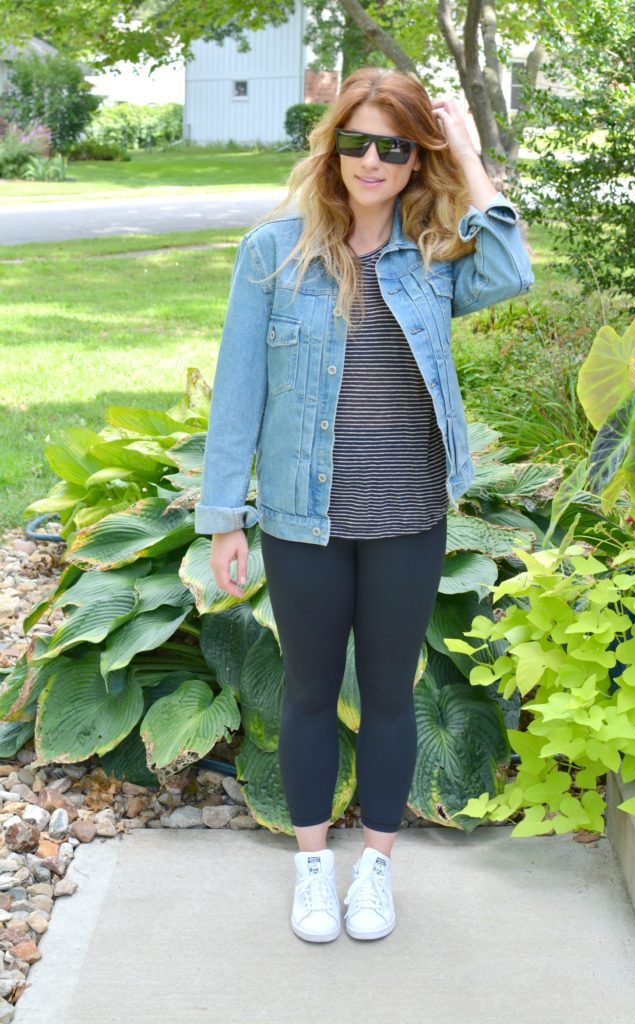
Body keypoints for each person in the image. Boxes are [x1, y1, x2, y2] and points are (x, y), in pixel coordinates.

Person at [194, 66, 534, 944]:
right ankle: (313, 869)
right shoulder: (272, 251)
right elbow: (237, 390)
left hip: (408, 517)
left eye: (393, 145)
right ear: (332, 147)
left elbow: (510, 264)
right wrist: (221, 515)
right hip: (304, 520)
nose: (372, 161)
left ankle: (374, 869)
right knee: (309, 693)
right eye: (357, 143)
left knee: (387, 697)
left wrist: (462, 142)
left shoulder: (433, 257)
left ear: (413, 158)